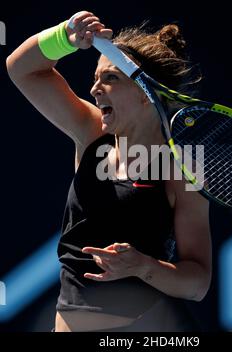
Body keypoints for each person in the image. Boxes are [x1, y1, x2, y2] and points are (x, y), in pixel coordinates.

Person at [6, 10, 212, 332]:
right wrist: (65, 37)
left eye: (110, 78)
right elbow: (21, 69)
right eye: (95, 78)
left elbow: (197, 283)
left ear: (147, 94)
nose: (94, 89)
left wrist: (141, 265)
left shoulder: (182, 169)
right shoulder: (90, 133)